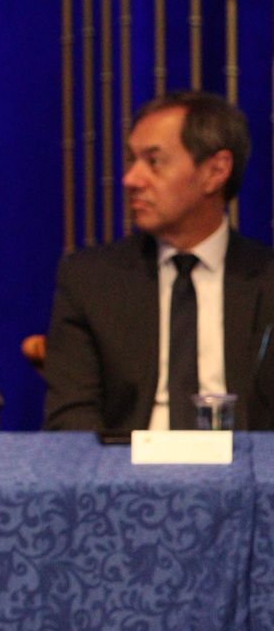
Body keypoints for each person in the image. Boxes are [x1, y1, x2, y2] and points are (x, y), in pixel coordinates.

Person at [44, 90, 274, 431]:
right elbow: (71, 420)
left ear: (215, 171)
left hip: (247, 461)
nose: (131, 180)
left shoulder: (266, 280)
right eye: (132, 160)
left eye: (154, 161)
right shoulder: (90, 280)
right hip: (126, 462)